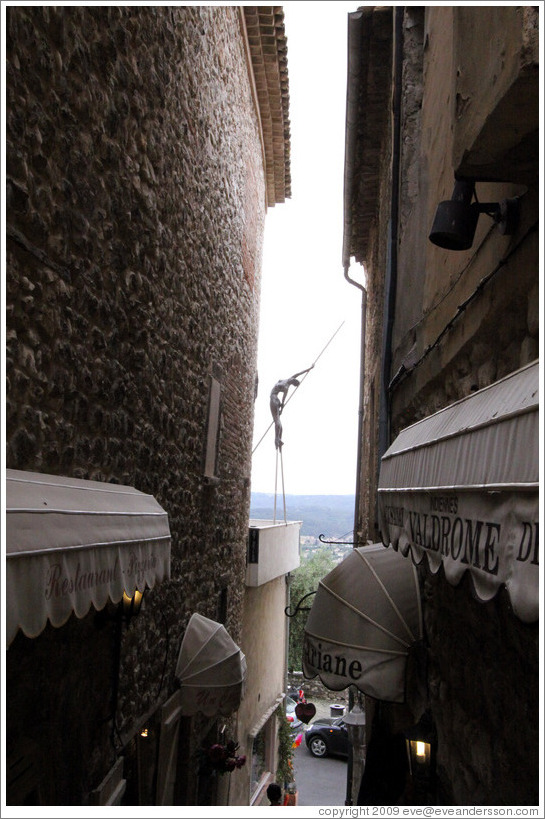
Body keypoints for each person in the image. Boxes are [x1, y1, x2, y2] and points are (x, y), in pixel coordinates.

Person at [269, 366, 314, 450]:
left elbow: (283, 400)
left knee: (280, 426)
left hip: (276, 401)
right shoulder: (289, 380)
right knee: (277, 421)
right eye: (295, 380)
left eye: (295, 381)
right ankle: (276, 439)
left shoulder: (286, 386)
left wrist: (281, 408)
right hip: (274, 399)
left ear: (293, 384)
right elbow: (299, 373)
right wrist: (309, 368)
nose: (294, 379)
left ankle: (279, 440)